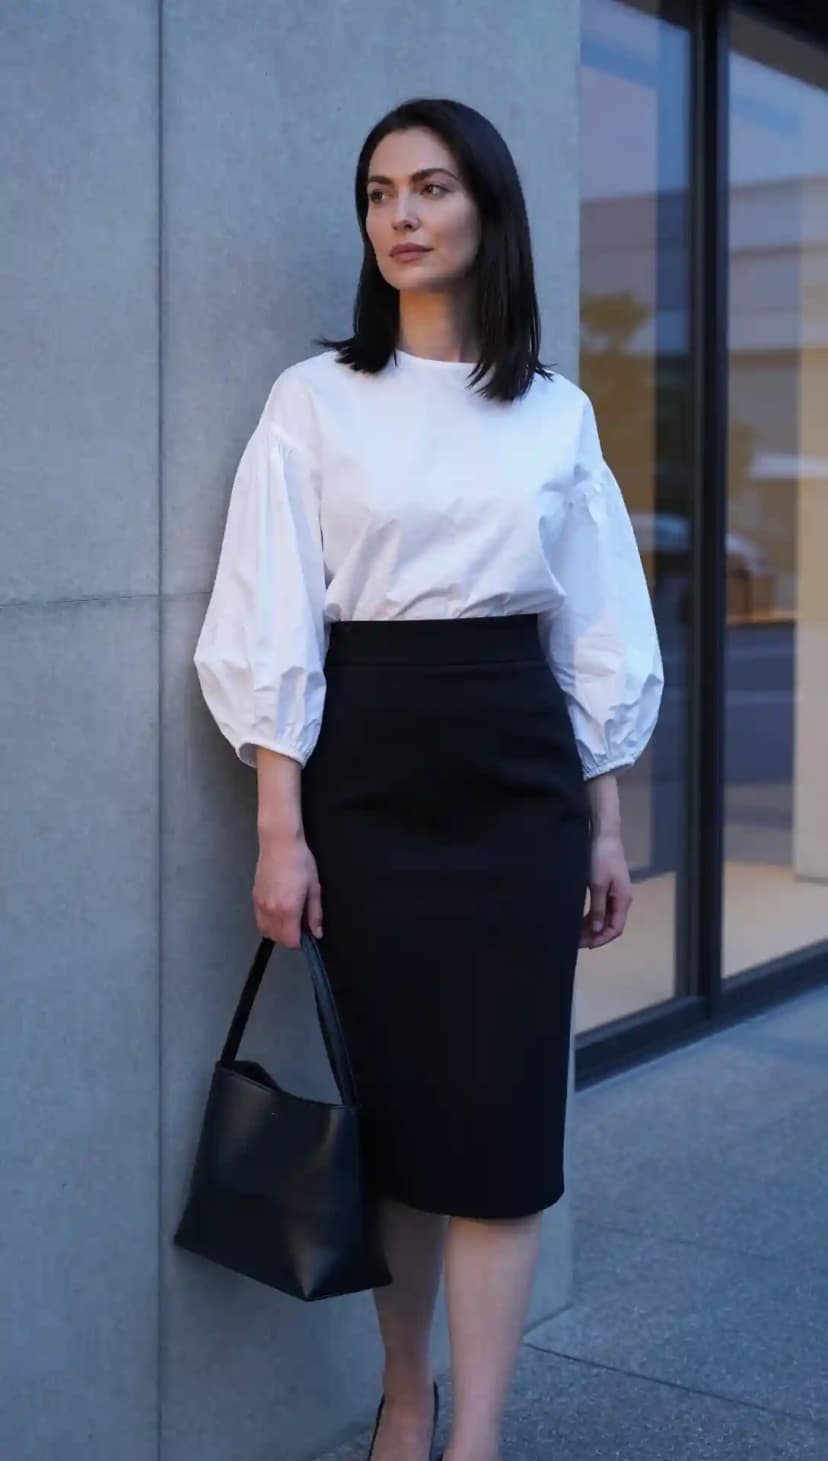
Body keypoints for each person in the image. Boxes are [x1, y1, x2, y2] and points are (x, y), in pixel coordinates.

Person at [193, 96, 663, 1461]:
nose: (402, 214)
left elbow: (597, 625)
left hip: (520, 775)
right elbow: (271, 608)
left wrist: (604, 822)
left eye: (433, 187)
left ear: (487, 211)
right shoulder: (316, 397)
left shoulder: (554, 413)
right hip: (372, 773)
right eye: (380, 192)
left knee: (506, 1119)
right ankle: (408, 1394)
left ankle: (480, 1438)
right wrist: (279, 826)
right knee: (392, 1112)